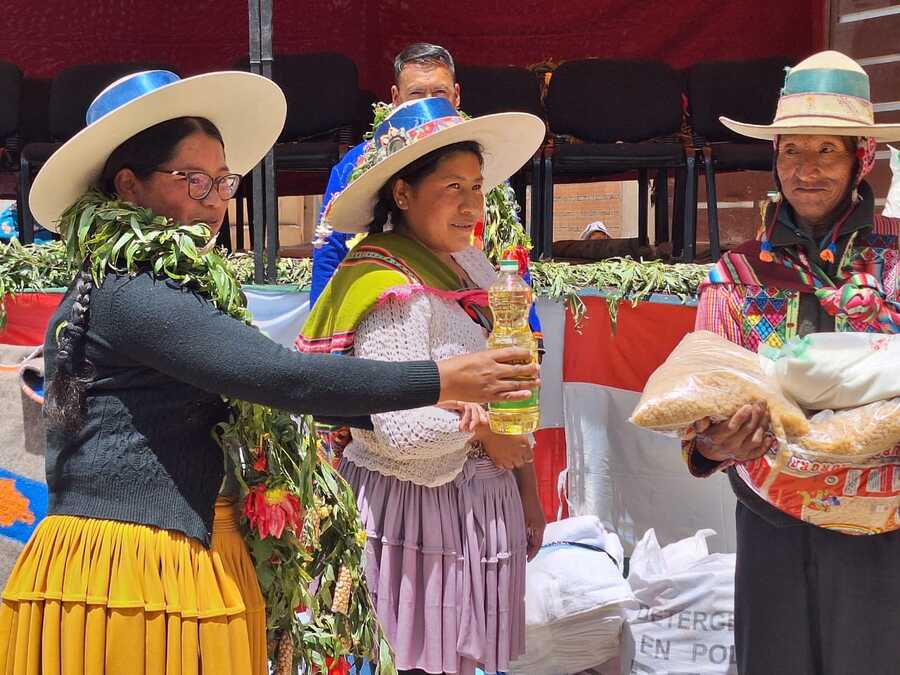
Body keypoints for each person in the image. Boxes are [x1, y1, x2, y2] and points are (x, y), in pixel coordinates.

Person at [0, 70, 539, 675]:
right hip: (130, 566)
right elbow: (285, 379)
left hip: (177, 549)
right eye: (194, 180)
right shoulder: (132, 292)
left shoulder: (170, 286)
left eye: (224, 180)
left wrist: (426, 408)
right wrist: (443, 381)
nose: (215, 199)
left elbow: (286, 394)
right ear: (129, 186)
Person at [297, 97, 548, 674]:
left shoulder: (476, 269)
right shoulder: (390, 287)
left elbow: (507, 387)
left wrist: (527, 491)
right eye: (452, 187)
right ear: (403, 195)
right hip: (420, 516)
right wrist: (487, 439)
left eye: (477, 187)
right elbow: (405, 431)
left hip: (480, 504)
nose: (470, 205)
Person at [683, 51, 900, 675]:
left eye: (825, 152)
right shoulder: (736, 276)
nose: (804, 171)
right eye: (790, 151)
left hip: (882, 520)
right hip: (772, 519)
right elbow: (703, 403)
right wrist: (717, 441)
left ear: (862, 158)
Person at [311, 43, 542, 353]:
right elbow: (330, 257)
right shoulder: (357, 168)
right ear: (395, 99)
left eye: (440, 93)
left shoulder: (478, 166)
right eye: (417, 94)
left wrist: (531, 334)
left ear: (457, 96)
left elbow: (510, 256)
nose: (471, 204)